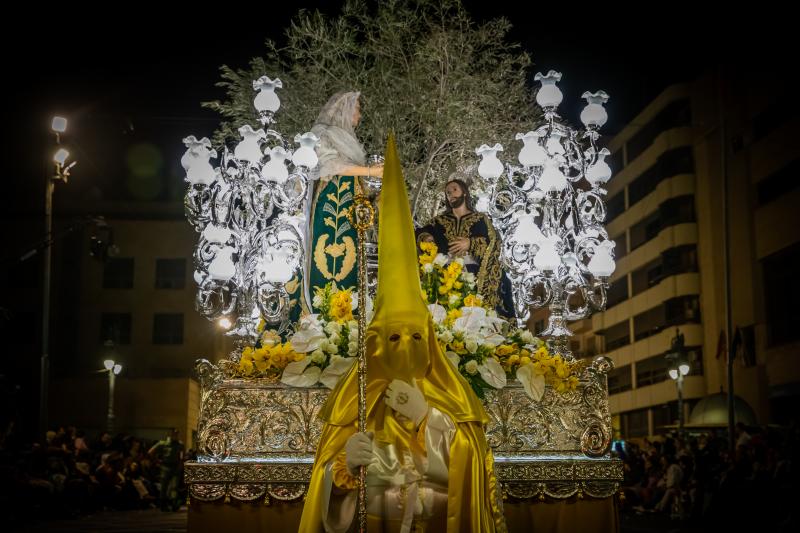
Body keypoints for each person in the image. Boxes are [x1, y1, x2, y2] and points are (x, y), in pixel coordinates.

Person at [298, 135, 505, 532]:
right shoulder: (353, 403)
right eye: (394, 338)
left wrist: (430, 419)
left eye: (416, 338)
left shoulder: (451, 399)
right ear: (375, 344)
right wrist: (341, 470)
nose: (407, 348)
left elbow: (476, 476)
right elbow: (325, 495)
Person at [302, 91, 383, 314]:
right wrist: (371, 171)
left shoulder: (348, 139)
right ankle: (323, 311)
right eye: (357, 108)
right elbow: (330, 166)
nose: (359, 114)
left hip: (352, 206)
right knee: (329, 257)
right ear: (343, 110)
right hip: (331, 202)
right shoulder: (322, 133)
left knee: (351, 258)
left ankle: (348, 312)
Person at [416, 179, 515, 317]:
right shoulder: (439, 221)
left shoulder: (480, 218)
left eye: (455, 190)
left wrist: (470, 243)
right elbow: (419, 232)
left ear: (464, 193)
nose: (451, 194)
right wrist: (425, 237)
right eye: (448, 192)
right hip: (446, 275)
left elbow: (494, 241)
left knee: (503, 282)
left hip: (475, 275)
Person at [148, 428, 184, 512]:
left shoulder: (180, 444)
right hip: (165, 467)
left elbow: (182, 456)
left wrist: (181, 464)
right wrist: (157, 461)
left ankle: (173, 503)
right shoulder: (163, 444)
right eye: (174, 434)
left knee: (174, 486)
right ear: (170, 435)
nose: (176, 435)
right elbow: (150, 452)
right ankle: (163, 505)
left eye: (177, 434)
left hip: (175, 467)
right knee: (164, 487)